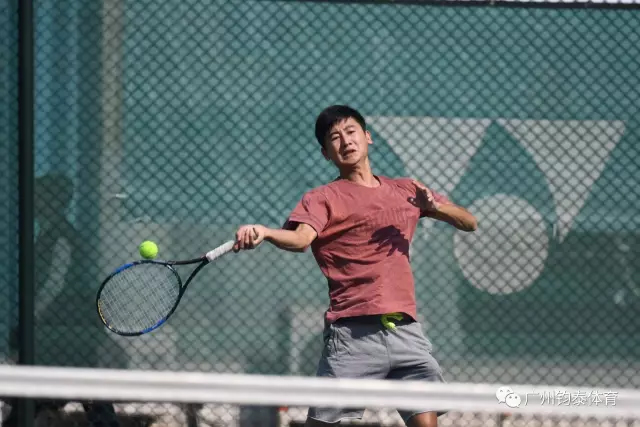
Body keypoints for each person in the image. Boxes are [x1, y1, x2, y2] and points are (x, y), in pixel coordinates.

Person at [233, 105, 478, 427]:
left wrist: (435, 208)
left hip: (405, 331)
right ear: (326, 153)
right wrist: (265, 233)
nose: (346, 141)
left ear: (367, 136)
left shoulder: (407, 190)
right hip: (352, 337)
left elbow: (469, 222)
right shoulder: (322, 198)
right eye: (335, 137)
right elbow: (301, 239)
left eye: (351, 132)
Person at [3, 173, 120, 427]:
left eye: (41, 197)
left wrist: (31, 317)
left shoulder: (62, 237)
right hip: (61, 330)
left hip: (68, 328)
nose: (35, 203)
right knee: (75, 391)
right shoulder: (49, 235)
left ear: (55, 202)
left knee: (84, 391)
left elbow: (54, 285)